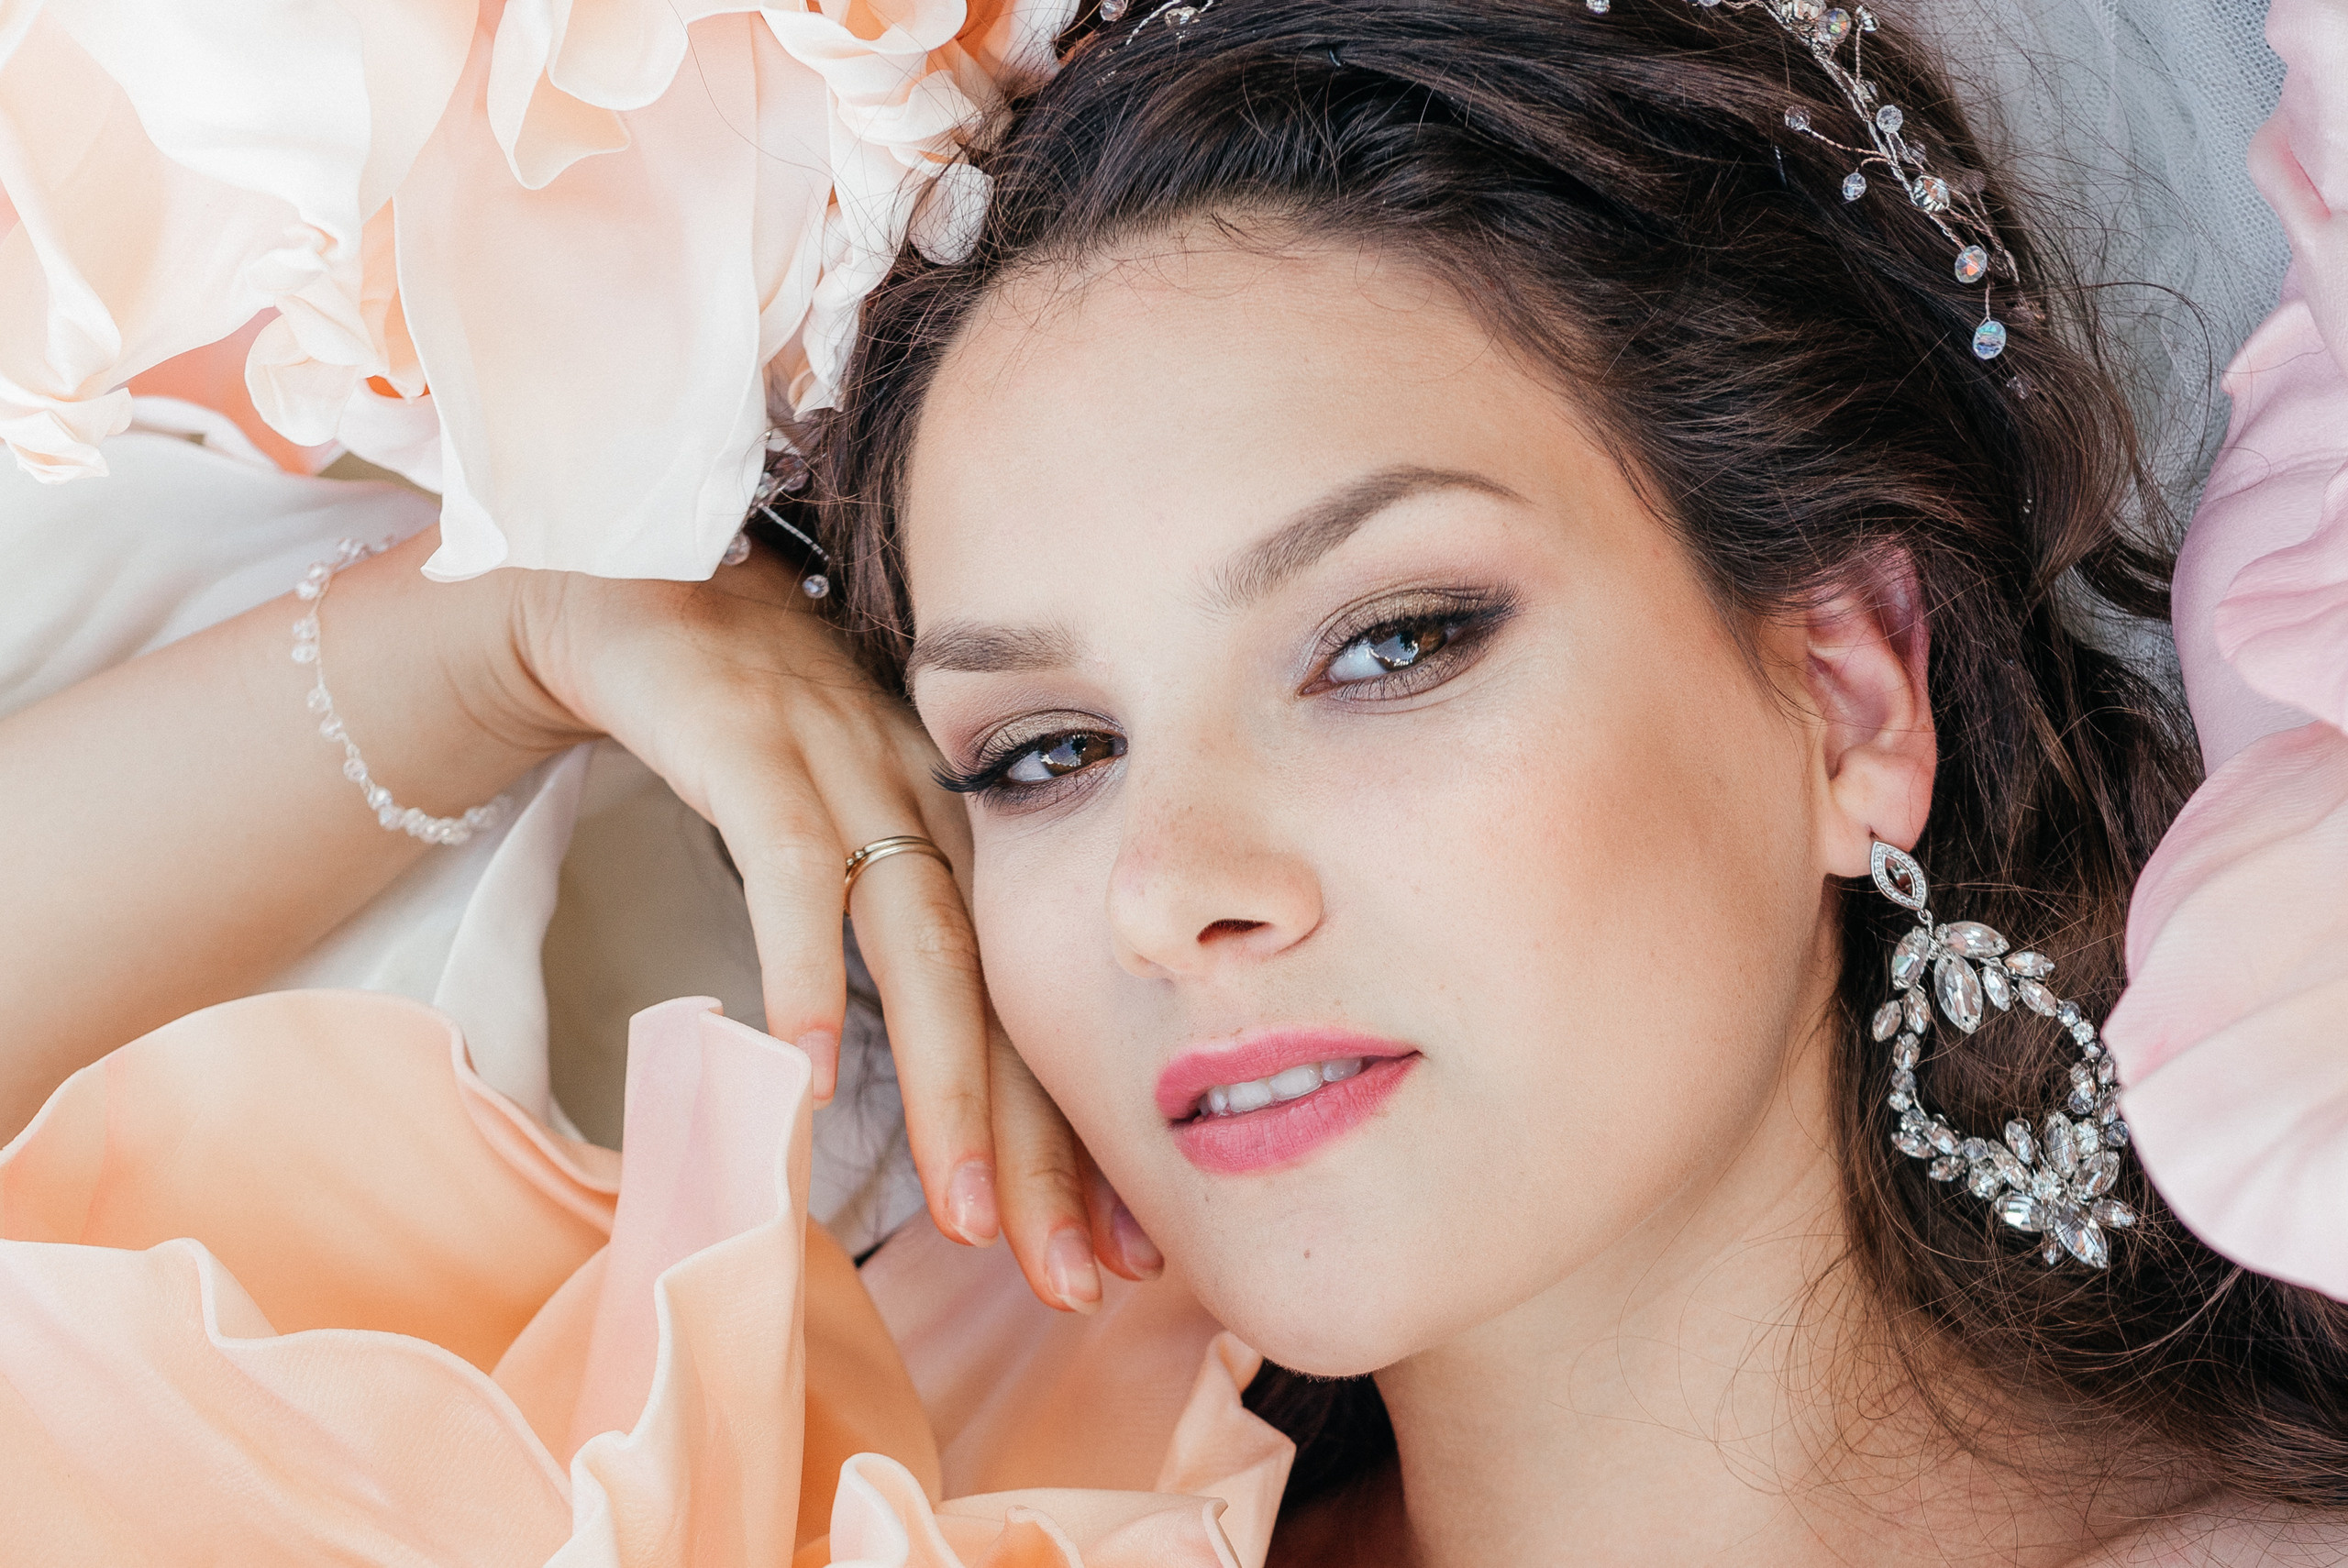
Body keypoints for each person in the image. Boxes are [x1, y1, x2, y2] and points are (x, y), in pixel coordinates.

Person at [3, 2, 2346, 1567]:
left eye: (1388, 643)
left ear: (1843, 692)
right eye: (1041, 755)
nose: (1171, 890)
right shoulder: (870, 1492)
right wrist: (517, 631)